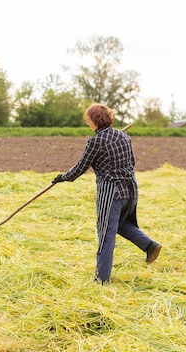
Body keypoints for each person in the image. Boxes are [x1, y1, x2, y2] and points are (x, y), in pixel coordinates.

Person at [52, 102, 161, 284]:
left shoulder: (96, 141)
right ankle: (149, 245)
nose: (88, 124)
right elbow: (132, 162)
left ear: (95, 120)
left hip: (112, 193)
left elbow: (80, 167)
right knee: (119, 224)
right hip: (131, 190)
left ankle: (101, 279)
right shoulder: (124, 137)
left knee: (106, 234)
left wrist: (63, 177)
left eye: (88, 120)